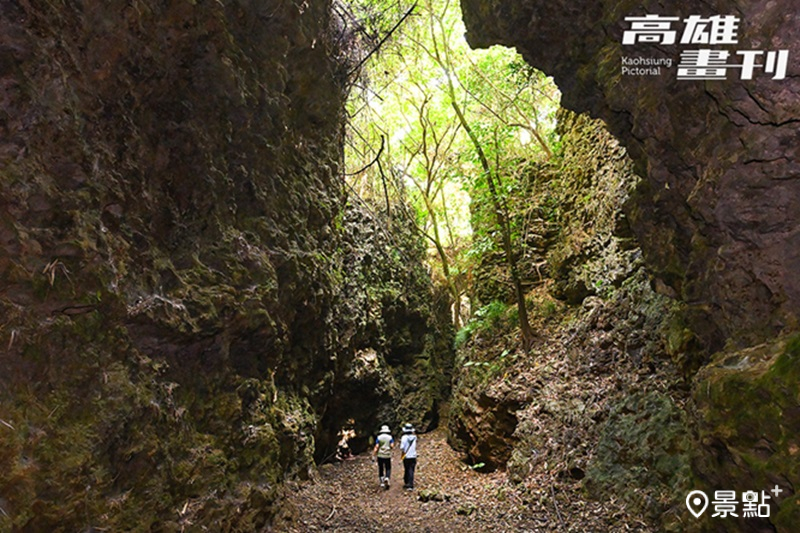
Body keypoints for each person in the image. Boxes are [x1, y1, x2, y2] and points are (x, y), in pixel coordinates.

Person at [372, 424, 394, 489]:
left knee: (381, 467)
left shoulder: (379, 437)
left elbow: (376, 446)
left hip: (380, 455)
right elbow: (392, 446)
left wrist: (373, 455)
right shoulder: (390, 437)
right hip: (387, 454)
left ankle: (381, 482)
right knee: (388, 467)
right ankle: (387, 477)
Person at [400, 423, 417, 490]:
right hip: (413, 455)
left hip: (406, 456)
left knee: (407, 468)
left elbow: (402, 447)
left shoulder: (404, 437)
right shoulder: (414, 437)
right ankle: (410, 483)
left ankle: (407, 483)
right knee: (411, 469)